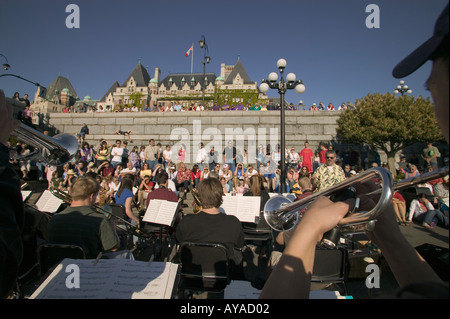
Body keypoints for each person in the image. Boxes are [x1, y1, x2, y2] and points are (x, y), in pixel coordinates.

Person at [260, 3, 449, 299]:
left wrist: (308, 231)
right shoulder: (322, 169)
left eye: (434, 92)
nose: (435, 107)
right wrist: (387, 234)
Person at [175, 178, 245, 277]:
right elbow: (239, 245)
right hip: (223, 278)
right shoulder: (234, 222)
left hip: (192, 276)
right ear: (221, 195)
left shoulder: (186, 221)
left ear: (199, 196)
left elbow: (179, 240)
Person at [47, 176, 120, 259]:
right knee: (126, 254)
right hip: (89, 267)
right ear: (91, 196)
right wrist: (113, 229)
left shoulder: (54, 219)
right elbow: (113, 248)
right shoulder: (99, 219)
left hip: (60, 266)